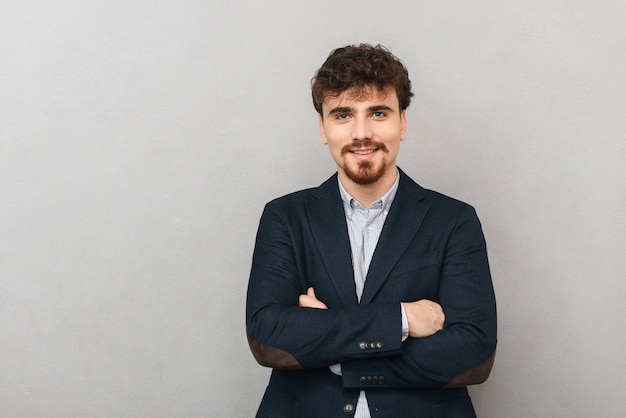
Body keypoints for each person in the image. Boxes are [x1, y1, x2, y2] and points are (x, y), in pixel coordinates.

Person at [246, 43, 497, 418]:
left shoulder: (454, 221)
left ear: (403, 123)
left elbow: (474, 354)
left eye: (378, 113)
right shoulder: (285, 217)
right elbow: (267, 337)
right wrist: (402, 321)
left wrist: (328, 343)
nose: (361, 133)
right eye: (343, 115)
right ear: (323, 128)